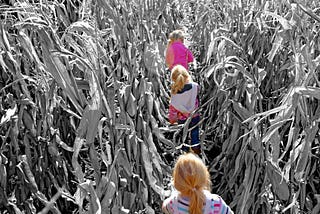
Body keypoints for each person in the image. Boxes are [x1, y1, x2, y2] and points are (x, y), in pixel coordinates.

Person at [162, 153, 234, 214]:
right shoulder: (216, 203)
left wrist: (174, 196)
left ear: (176, 182)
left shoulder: (173, 203)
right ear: (204, 178)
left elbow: (164, 207)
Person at [168, 65, 200, 154]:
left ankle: (185, 151)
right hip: (195, 116)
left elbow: (173, 110)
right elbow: (197, 99)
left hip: (182, 119)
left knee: (183, 135)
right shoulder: (195, 87)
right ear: (187, 76)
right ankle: (196, 149)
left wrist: (172, 120)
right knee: (195, 133)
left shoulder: (174, 93)